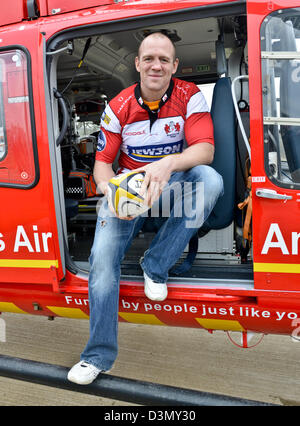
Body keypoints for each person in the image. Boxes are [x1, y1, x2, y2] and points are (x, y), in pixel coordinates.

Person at [67, 32, 223, 385]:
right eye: (149, 58)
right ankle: (96, 357)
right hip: (128, 194)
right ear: (137, 64)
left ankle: (155, 265)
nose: (156, 65)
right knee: (102, 263)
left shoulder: (190, 95)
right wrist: (111, 193)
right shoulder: (118, 106)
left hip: (171, 186)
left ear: (174, 66)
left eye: (164, 60)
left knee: (210, 179)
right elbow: (103, 165)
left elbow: (205, 151)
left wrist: (168, 164)